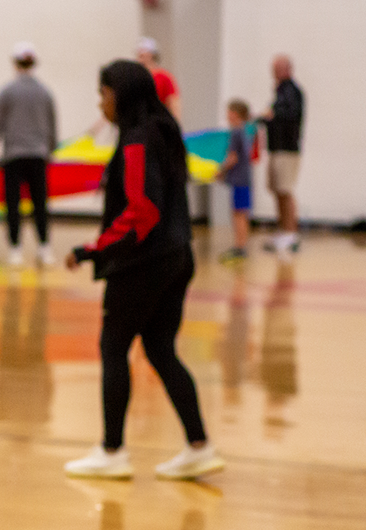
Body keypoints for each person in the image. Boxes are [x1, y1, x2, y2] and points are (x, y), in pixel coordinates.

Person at [62, 60, 222, 482]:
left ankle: (112, 451)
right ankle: (199, 447)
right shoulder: (164, 132)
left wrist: (91, 249)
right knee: (160, 349)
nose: (101, 103)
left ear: (122, 94)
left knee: (114, 348)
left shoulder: (137, 140)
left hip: (142, 264)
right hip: (177, 257)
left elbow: (143, 210)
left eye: (104, 94)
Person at [0, 42, 57, 268]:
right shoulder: (45, 92)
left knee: (13, 204)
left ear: (15, 63)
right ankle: (44, 248)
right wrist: (52, 149)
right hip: (38, 155)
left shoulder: (7, 91)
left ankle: (15, 250)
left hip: (13, 156)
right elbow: (52, 124)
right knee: (40, 204)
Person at [259, 54, 303, 254]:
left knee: (285, 190)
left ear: (287, 69)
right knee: (277, 189)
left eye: (277, 68)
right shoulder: (280, 91)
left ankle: (291, 233)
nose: (273, 72)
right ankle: (283, 230)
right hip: (276, 148)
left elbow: (290, 115)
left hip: (287, 149)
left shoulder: (292, 91)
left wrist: (271, 116)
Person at [218, 99, 252, 263]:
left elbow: (233, 158)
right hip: (244, 179)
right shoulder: (244, 132)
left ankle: (240, 247)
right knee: (241, 213)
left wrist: (220, 171)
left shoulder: (236, 132)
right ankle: (241, 245)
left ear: (235, 114)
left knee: (238, 214)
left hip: (239, 180)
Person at [135, 37, 181, 120]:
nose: (140, 59)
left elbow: (173, 102)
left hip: (160, 121)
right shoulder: (137, 78)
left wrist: (175, 125)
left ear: (151, 55)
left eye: (142, 55)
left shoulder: (164, 77)